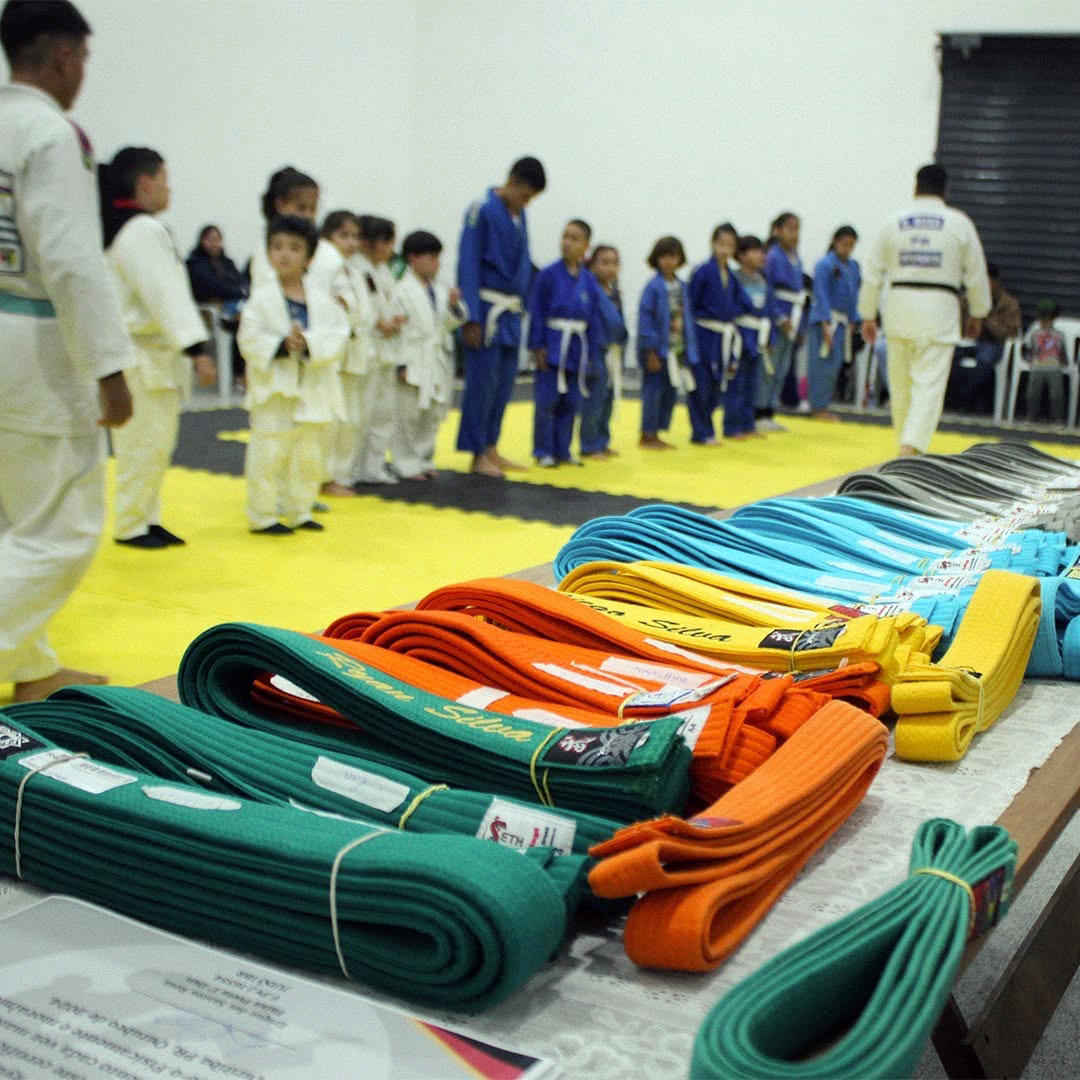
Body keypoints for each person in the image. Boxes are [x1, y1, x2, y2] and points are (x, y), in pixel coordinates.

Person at [0, 0, 134, 702]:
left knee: (10, 514)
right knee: (61, 528)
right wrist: (110, 370)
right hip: (35, 344)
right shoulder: (51, 134)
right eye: (83, 58)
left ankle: (30, 667)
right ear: (63, 57)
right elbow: (72, 262)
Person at [103, 146, 216, 549]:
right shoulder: (140, 230)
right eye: (165, 180)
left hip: (151, 354)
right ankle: (131, 524)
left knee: (155, 442)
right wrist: (197, 348)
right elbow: (163, 295)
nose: (169, 189)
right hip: (141, 355)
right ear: (146, 183)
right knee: (141, 443)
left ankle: (146, 517)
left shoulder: (135, 229)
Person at [859, 163, 990, 455]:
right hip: (939, 308)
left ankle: (905, 445)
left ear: (915, 187)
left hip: (899, 306)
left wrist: (868, 314)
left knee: (901, 385)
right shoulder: (958, 222)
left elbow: (872, 274)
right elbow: (976, 274)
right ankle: (911, 447)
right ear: (946, 190)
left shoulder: (893, 222)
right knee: (928, 385)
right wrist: (978, 313)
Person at [238, 215, 348, 534]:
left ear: (309, 257)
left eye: (294, 248)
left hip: (312, 388)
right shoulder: (260, 300)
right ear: (268, 253)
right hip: (275, 389)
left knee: (308, 454)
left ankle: (299, 508)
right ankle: (262, 514)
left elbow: (338, 334)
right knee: (268, 453)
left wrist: (309, 342)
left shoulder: (322, 301)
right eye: (277, 247)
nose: (284, 255)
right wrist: (281, 345)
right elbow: (249, 339)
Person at [456, 156, 546, 478]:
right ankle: (476, 452)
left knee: (504, 384)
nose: (527, 203)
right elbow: (467, 263)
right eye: (525, 196)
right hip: (486, 309)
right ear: (513, 181)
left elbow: (525, 263)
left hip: (510, 312)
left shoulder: (519, 216)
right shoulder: (481, 210)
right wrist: (471, 318)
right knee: (481, 384)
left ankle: (491, 446)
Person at [526, 219, 605, 467]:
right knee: (547, 400)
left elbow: (593, 319)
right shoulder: (548, 275)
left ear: (586, 246)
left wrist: (592, 352)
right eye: (565, 236)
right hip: (552, 343)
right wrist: (537, 345)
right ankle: (543, 450)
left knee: (571, 401)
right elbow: (537, 311)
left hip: (577, 347)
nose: (566, 242)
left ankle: (563, 449)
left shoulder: (589, 281)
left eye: (574, 238)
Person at [390, 230, 468, 479]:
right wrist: (400, 364)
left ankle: (424, 459)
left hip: (436, 358)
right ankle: (405, 463)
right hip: (413, 357)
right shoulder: (400, 290)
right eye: (429, 256)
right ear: (412, 258)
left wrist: (455, 305)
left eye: (437, 257)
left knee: (432, 412)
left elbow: (454, 322)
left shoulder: (442, 289)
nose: (435, 262)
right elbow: (397, 333)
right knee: (409, 413)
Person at [319, 209, 375, 493]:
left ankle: (341, 474)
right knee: (333, 419)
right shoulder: (322, 268)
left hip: (356, 350)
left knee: (352, 418)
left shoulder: (355, 271)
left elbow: (363, 313)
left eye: (355, 236)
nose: (351, 242)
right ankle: (325, 477)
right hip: (335, 354)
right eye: (344, 235)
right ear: (327, 237)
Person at [688, 223, 758, 442]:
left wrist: (731, 313)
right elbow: (691, 303)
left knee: (719, 383)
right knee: (701, 384)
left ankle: (708, 427)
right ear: (713, 243)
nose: (725, 250)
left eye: (730, 245)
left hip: (724, 335)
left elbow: (745, 304)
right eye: (721, 244)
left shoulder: (731, 276)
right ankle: (701, 432)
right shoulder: (702, 271)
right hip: (704, 333)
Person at [352, 213, 405, 484]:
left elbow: (393, 304)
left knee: (384, 413)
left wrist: (396, 319)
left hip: (386, 350)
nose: (389, 249)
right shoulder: (355, 269)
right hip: (367, 348)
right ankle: (350, 469)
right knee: (361, 413)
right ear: (368, 242)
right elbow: (357, 310)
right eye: (385, 242)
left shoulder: (384, 272)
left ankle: (373, 466)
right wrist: (377, 323)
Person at [637, 236, 699, 449]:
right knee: (653, 392)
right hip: (658, 350)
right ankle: (647, 434)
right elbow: (645, 319)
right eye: (664, 256)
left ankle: (657, 431)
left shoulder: (682, 286)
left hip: (677, 348)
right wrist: (650, 350)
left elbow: (687, 318)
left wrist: (690, 349)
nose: (668, 262)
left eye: (673, 257)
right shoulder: (652, 287)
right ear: (656, 258)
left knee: (669, 393)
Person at [807, 225, 861, 420]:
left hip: (843, 322)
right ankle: (817, 407)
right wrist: (825, 322)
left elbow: (854, 295)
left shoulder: (853, 267)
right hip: (826, 321)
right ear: (835, 241)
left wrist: (855, 319)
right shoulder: (824, 264)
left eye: (851, 245)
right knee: (821, 364)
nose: (847, 248)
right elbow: (820, 294)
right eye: (844, 244)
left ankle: (824, 404)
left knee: (835, 364)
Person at [757, 212, 804, 431]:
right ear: (778, 230)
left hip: (793, 317)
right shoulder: (773, 256)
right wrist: (779, 317)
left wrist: (799, 324)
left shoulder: (796, 258)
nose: (794, 234)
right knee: (769, 365)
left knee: (782, 367)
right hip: (776, 318)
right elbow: (768, 290)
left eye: (797, 230)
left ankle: (770, 409)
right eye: (790, 229)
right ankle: (759, 411)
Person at [579, 244, 627, 458]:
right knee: (594, 400)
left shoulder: (615, 292)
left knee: (608, 399)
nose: (610, 268)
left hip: (613, 351)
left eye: (614, 263)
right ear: (593, 265)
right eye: (604, 262)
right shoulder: (591, 291)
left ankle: (602, 440)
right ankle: (589, 444)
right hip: (596, 349)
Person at [733, 234, 780, 439]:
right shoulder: (735, 278)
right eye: (756, 251)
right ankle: (732, 425)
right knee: (737, 382)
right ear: (742, 255)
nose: (762, 255)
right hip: (740, 333)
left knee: (753, 382)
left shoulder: (763, 279)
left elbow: (769, 310)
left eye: (762, 251)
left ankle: (748, 423)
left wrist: (771, 338)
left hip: (758, 334)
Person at [1023, 299, 1069, 423]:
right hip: (1037, 365)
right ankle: (1031, 415)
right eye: (1043, 319)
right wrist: (1029, 359)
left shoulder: (1059, 335)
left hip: (1054, 366)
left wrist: (1065, 362)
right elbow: (1031, 349)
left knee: (1057, 394)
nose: (1046, 322)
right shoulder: (1034, 334)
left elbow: (1062, 351)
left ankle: (1057, 417)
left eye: (1048, 319)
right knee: (1033, 393)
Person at [186, 224, 246, 308]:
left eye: (217, 240)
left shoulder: (227, 262)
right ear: (202, 240)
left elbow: (240, 280)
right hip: (207, 307)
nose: (214, 244)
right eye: (209, 240)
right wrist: (240, 291)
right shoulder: (195, 263)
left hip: (233, 303)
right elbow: (213, 286)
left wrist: (242, 290)